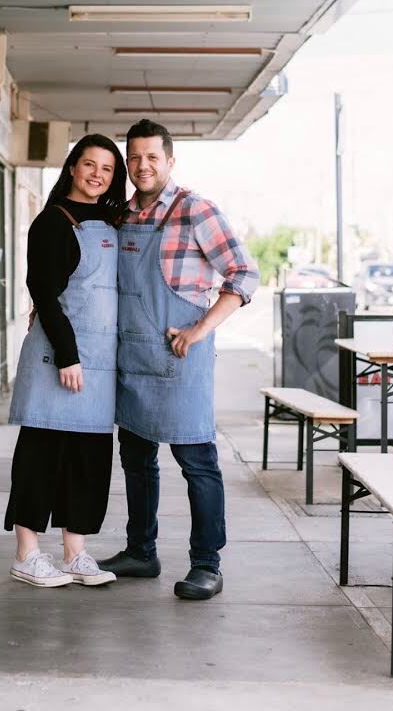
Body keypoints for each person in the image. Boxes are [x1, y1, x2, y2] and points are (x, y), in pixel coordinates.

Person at [99, 119, 260, 600]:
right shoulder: (121, 216)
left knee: (197, 462)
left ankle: (207, 563)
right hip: (132, 357)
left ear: (170, 161)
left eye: (152, 157)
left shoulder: (196, 211)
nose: (142, 165)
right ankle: (140, 552)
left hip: (179, 357)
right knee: (135, 460)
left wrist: (200, 327)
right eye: (134, 157)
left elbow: (244, 275)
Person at [6, 134, 127, 588]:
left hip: (100, 361)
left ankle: (75, 553)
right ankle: (27, 553)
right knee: (42, 457)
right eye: (89, 164)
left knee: (88, 459)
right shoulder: (53, 222)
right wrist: (68, 355)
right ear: (72, 167)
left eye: (108, 169)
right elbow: (45, 295)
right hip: (59, 356)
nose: (97, 174)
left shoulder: (114, 222)